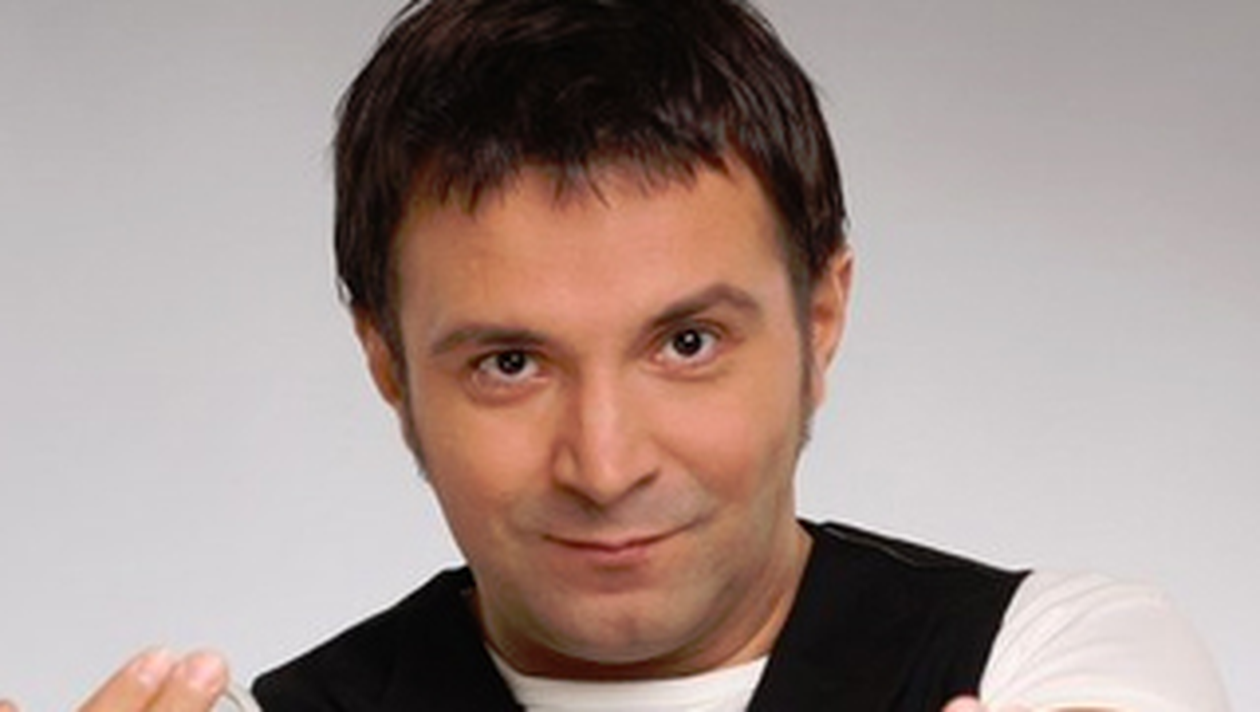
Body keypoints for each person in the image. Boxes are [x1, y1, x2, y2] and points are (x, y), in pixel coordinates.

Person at [2, 1, 1228, 711]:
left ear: (821, 318)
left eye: (686, 343)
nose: (604, 463)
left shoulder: (1067, 659)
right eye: (510, 363)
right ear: (387, 362)